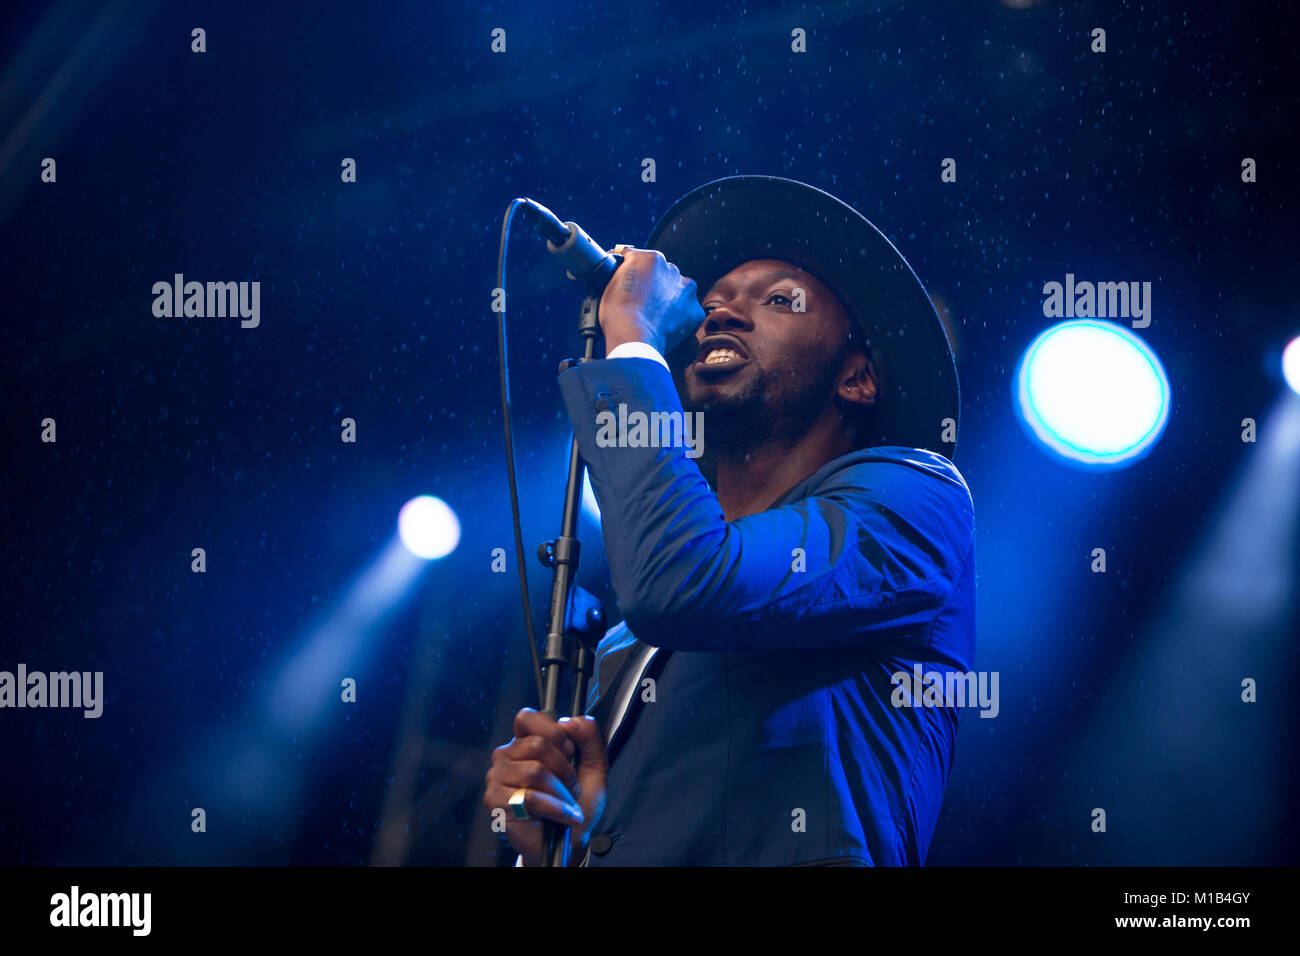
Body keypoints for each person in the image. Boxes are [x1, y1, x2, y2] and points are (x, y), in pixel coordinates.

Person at [483, 176, 976, 866]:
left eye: (779, 300)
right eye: (711, 304)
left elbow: (685, 580)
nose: (722, 315)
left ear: (857, 378)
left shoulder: (917, 502)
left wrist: (631, 337)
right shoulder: (630, 642)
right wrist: (561, 842)